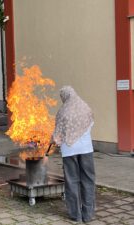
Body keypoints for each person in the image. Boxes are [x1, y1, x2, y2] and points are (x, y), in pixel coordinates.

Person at [52, 86, 95, 223]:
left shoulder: (62, 112)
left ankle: (75, 214)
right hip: (86, 149)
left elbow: (56, 137)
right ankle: (87, 215)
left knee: (72, 181)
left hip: (69, 151)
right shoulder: (85, 107)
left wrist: (55, 140)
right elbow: (91, 123)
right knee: (88, 180)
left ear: (64, 96)